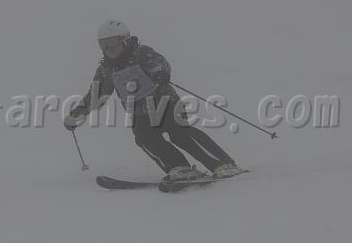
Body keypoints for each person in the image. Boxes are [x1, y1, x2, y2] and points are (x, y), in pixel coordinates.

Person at [64, 20, 243, 181]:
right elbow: (96, 95)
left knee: (180, 133)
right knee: (144, 139)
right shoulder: (106, 70)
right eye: (103, 44)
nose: (108, 49)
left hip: (166, 104)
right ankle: (179, 167)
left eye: (112, 43)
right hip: (139, 113)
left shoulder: (141, 53)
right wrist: (77, 114)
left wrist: (159, 74)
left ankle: (222, 164)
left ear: (124, 40)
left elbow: (161, 65)